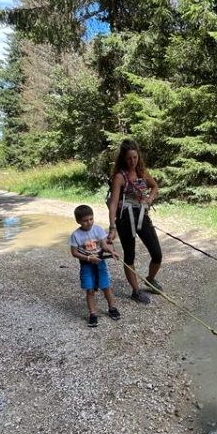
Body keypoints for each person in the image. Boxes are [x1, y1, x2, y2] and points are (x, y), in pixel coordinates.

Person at [107, 138, 162, 305]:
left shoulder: (142, 172)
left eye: (135, 157)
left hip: (142, 215)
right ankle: (136, 291)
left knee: (157, 253)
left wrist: (149, 199)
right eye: (129, 158)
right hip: (124, 218)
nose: (133, 161)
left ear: (139, 156)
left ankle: (150, 279)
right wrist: (112, 227)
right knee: (129, 255)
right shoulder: (119, 177)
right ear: (123, 158)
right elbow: (114, 203)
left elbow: (155, 186)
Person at [70, 204, 121, 327]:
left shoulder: (98, 229)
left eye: (91, 219)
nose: (89, 222)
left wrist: (111, 251)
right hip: (86, 266)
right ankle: (92, 314)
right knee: (90, 289)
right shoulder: (75, 235)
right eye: (85, 220)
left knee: (106, 286)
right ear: (78, 221)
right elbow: (74, 253)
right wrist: (88, 258)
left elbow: (103, 245)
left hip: (100, 263)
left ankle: (112, 308)